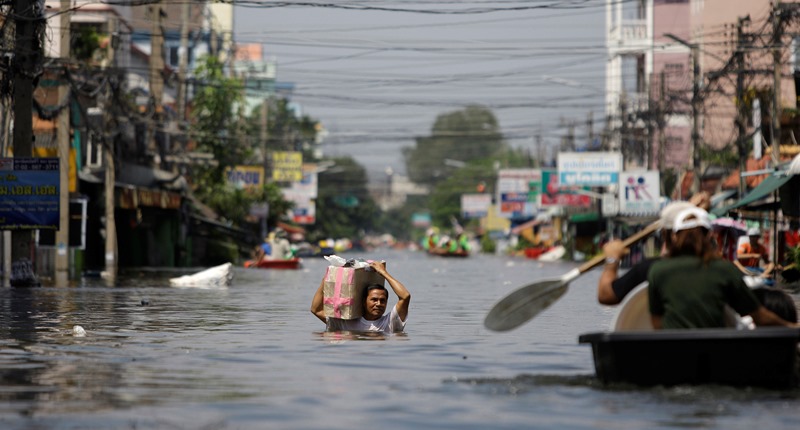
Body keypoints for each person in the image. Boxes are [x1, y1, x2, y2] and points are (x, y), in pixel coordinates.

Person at [647, 207, 797, 329]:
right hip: (714, 355)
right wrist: (791, 326)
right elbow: (759, 316)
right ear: (709, 236)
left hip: (674, 353)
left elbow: (657, 323)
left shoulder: (658, 271)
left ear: (675, 236)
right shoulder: (724, 270)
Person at [597, 200, 694, 305]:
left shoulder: (651, 269)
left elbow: (606, 295)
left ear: (664, 234)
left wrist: (612, 260)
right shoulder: (713, 266)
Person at [310, 261, 410, 334]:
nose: (379, 304)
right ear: (363, 301)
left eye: (382, 301)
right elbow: (316, 310)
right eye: (374, 300)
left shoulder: (390, 322)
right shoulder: (346, 322)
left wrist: (384, 273)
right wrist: (327, 279)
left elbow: (405, 296)